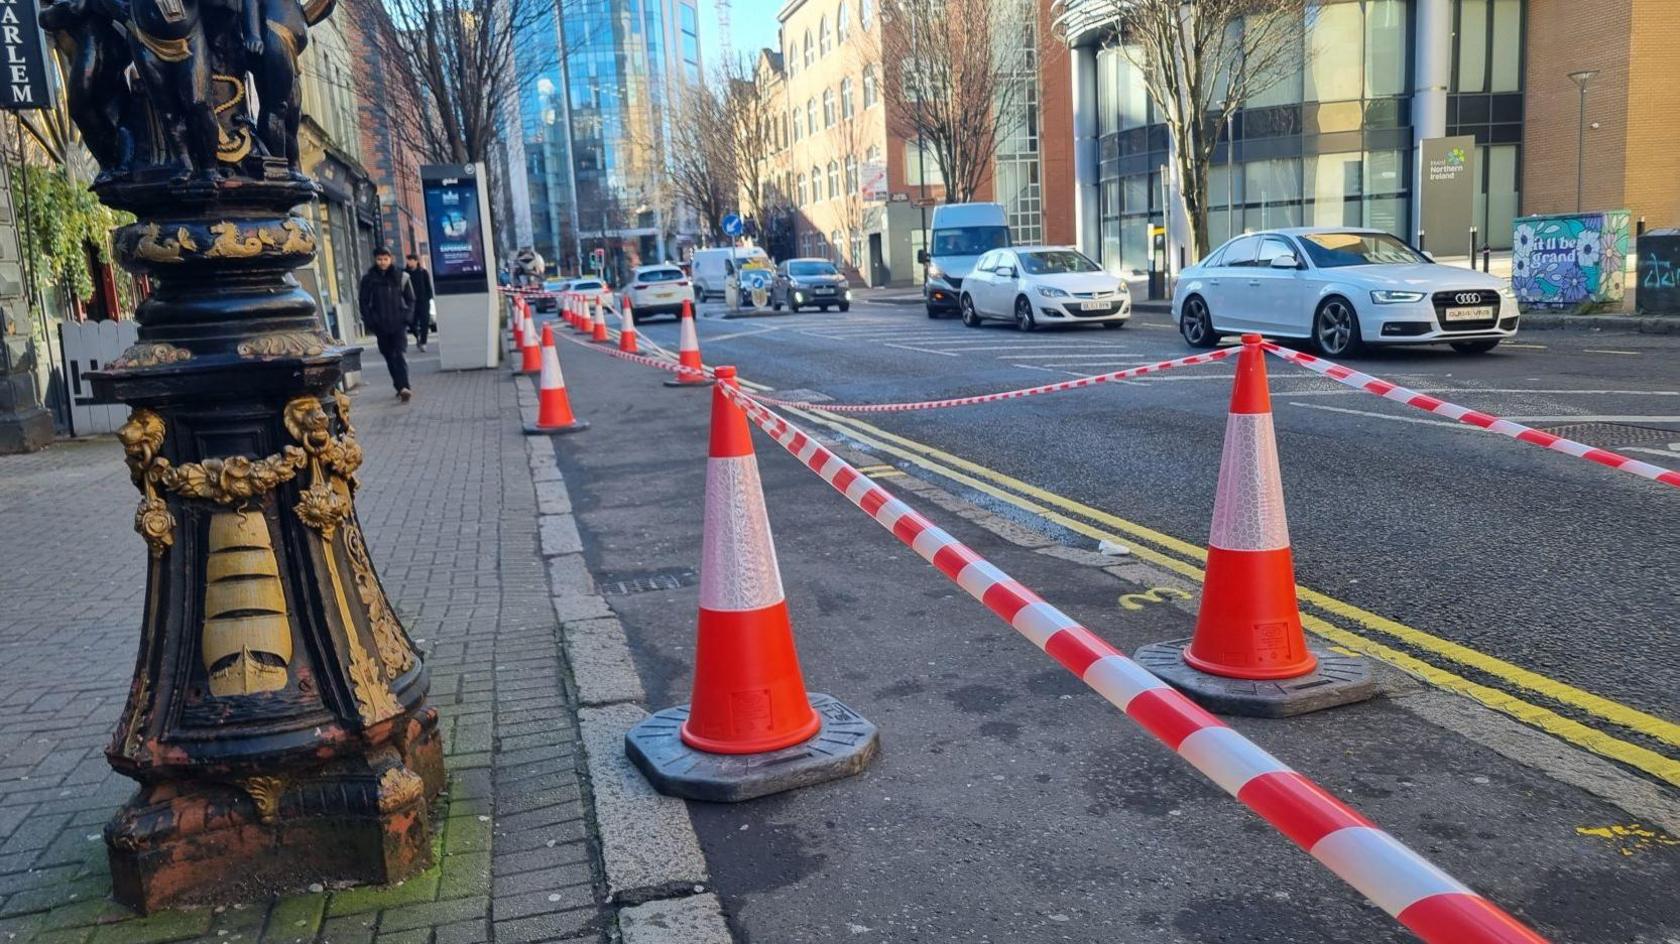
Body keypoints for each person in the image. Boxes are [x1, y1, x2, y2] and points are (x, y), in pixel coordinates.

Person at [359, 247, 416, 402]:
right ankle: (399, 386)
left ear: (391, 259)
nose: (382, 262)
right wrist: (371, 321)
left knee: (399, 354)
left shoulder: (401, 276)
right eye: (379, 259)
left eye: (385, 259)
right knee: (389, 356)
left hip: (398, 323)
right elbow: (363, 303)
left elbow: (411, 299)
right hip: (380, 325)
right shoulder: (369, 279)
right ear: (375, 260)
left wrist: (406, 318)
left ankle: (405, 386)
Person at [405, 253, 435, 351]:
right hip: (410, 302)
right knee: (411, 322)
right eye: (408, 260)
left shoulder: (423, 272)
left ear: (416, 261)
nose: (410, 262)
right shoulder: (405, 273)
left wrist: (429, 297)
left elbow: (428, 285)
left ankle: (423, 342)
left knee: (424, 322)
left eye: (412, 260)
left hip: (423, 301)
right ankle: (417, 335)